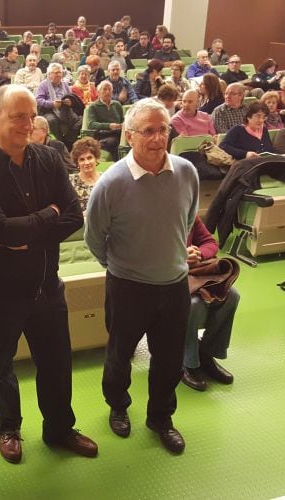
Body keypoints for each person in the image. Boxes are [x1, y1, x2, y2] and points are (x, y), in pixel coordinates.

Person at [0, 85, 98, 464]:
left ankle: (59, 428)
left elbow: (73, 214)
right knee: (1, 365)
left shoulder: (50, 159)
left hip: (46, 284)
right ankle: (9, 427)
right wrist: (47, 216)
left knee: (57, 362)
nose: (27, 123)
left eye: (30, 115)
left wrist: (29, 233)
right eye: (16, 116)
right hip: (0, 291)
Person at [84, 99, 198, 453]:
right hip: (128, 287)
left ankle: (161, 417)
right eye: (148, 131)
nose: (157, 138)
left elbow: (188, 220)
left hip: (174, 284)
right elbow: (94, 237)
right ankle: (118, 405)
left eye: (163, 129)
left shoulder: (186, 172)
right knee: (120, 355)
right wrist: (121, 267)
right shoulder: (112, 182)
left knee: (168, 359)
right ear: (129, 136)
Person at [181, 216, 238, 392]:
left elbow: (210, 242)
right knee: (194, 304)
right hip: (166, 277)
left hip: (192, 274)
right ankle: (186, 362)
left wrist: (199, 254)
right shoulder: (153, 219)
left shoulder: (188, 214)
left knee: (232, 296)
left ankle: (206, 353)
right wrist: (181, 256)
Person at [35, 63, 82, 150]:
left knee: (79, 120)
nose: (59, 75)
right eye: (56, 73)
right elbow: (38, 100)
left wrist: (69, 102)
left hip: (65, 110)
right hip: (49, 110)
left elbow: (70, 97)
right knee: (52, 120)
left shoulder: (65, 84)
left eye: (60, 72)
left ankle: (68, 140)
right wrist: (52, 104)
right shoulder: (43, 85)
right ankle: (61, 142)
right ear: (49, 74)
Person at [87, 80, 124, 160]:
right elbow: (91, 124)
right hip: (103, 134)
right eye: (104, 89)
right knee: (113, 141)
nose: (107, 92)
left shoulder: (117, 104)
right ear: (98, 92)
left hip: (118, 133)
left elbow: (122, 120)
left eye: (109, 89)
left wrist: (122, 125)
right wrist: (109, 126)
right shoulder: (93, 106)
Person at [68, 137, 101, 213]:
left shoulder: (105, 179)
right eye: (82, 159)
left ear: (96, 159)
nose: (87, 163)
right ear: (77, 163)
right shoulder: (70, 181)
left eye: (89, 158)